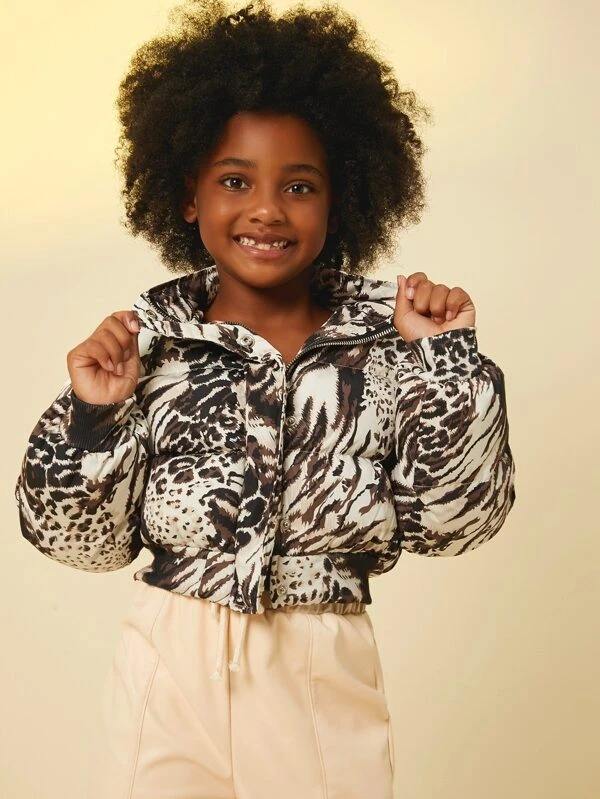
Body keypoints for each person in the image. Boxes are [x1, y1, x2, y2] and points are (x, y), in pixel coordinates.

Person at [14, 1, 516, 797]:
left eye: (300, 185)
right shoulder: (151, 349)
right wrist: (93, 414)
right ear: (188, 194)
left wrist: (446, 360)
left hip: (318, 673)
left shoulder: (386, 348)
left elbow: (458, 524)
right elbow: (81, 544)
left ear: (340, 199)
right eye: (235, 180)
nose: (267, 209)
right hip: (166, 665)